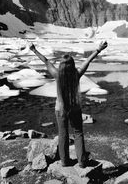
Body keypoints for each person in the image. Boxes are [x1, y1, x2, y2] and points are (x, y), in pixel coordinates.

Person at [28, 40, 108, 168]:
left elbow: (46, 62)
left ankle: (65, 161)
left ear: (61, 66)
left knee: (62, 134)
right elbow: (88, 61)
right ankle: (82, 162)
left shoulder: (57, 75)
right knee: (78, 133)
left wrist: (34, 50)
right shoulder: (76, 74)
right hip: (75, 108)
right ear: (72, 65)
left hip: (60, 109)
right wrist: (98, 49)